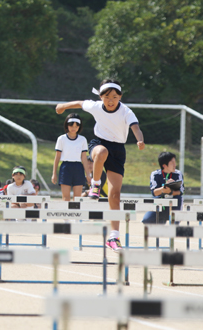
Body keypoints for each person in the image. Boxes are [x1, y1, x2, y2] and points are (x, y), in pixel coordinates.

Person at [56, 79, 145, 252]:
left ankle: (114, 237)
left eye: (114, 97)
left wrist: (140, 140)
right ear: (101, 97)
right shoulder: (96, 106)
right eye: (106, 97)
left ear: (120, 97)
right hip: (99, 143)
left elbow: (135, 127)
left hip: (118, 149)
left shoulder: (126, 111)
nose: (110, 101)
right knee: (101, 152)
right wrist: (62, 106)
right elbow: (79, 103)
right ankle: (95, 185)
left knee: (115, 195)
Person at [51, 113, 90, 201]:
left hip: (78, 168)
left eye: (76, 126)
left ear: (79, 127)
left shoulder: (82, 139)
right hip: (65, 168)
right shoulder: (61, 139)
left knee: (77, 198)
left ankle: (76, 214)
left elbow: (84, 158)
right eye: (71, 125)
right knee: (66, 197)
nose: (73, 128)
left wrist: (88, 174)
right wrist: (54, 173)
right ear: (67, 125)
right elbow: (57, 157)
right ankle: (66, 214)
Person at [142, 152, 184, 224]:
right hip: (159, 204)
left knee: (174, 226)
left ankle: (175, 220)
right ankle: (161, 219)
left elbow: (181, 191)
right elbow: (154, 192)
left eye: (175, 162)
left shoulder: (178, 174)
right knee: (146, 220)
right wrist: (164, 188)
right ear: (164, 165)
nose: (175, 165)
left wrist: (171, 191)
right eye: (172, 163)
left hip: (174, 204)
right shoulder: (155, 174)